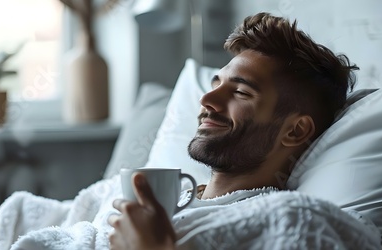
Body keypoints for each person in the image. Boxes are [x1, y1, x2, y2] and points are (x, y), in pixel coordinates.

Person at [107, 12, 363, 249]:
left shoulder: (292, 221)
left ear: (295, 131)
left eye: (241, 92)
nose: (206, 99)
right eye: (215, 84)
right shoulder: (158, 194)